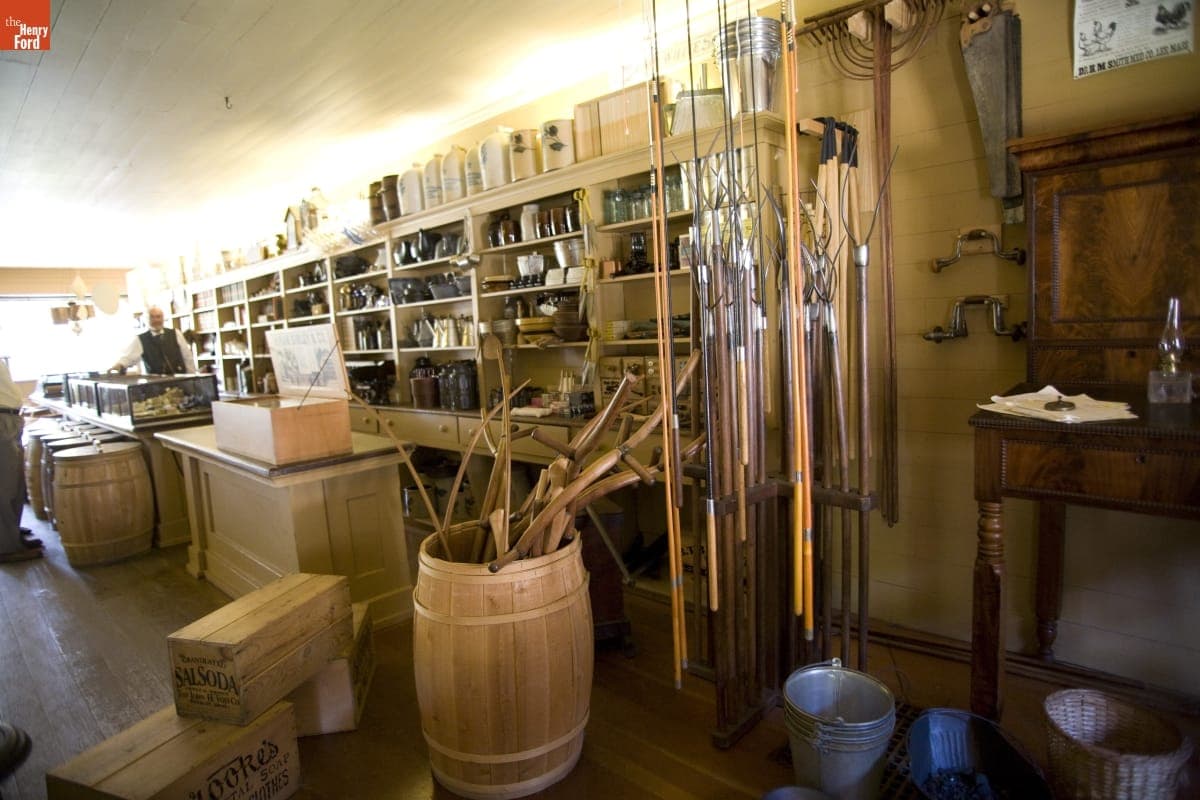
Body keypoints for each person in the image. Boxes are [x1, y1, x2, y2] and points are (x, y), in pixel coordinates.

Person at [0, 358, 42, 563]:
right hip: (2, 419)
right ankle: (6, 548)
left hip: (9, 417)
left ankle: (11, 536)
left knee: (15, 487)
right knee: (4, 488)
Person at [110, 306, 197, 375]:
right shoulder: (140, 339)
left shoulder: (176, 333)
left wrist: (192, 378)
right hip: (156, 384)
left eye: (158, 317)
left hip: (179, 380)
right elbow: (128, 358)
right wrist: (118, 366)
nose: (156, 320)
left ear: (163, 318)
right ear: (146, 319)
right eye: (152, 317)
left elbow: (187, 357)